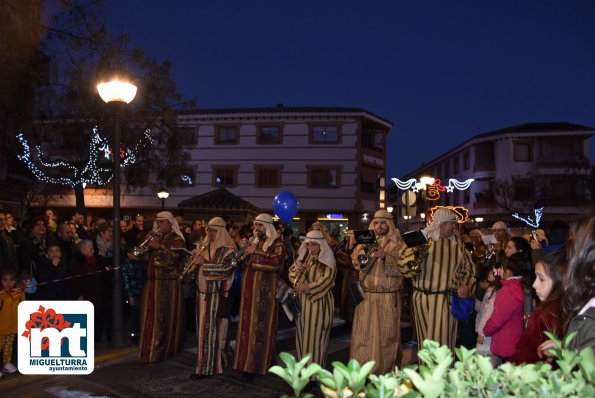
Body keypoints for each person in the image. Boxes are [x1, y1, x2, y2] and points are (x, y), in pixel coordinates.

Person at [397, 208, 475, 352]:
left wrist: (466, 285)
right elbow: (403, 266)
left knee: (443, 343)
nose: (454, 227)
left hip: (445, 299)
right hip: (421, 299)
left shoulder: (458, 243)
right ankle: (427, 374)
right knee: (424, 343)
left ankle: (443, 374)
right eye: (451, 223)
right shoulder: (422, 237)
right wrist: (418, 252)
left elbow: (468, 269)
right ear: (442, 223)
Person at [351, 209, 404, 373]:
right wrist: (364, 253)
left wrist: (385, 256)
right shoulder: (366, 241)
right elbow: (356, 262)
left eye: (382, 222)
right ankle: (363, 371)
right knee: (363, 336)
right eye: (376, 223)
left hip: (388, 298)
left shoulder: (399, 243)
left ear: (389, 224)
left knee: (386, 337)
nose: (379, 226)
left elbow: (405, 268)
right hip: (366, 297)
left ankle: (384, 372)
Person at [233, 213, 285, 380]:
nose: (256, 229)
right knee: (247, 328)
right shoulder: (253, 241)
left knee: (261, 329)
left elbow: (276, 262)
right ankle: (247, 363)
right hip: (249, 292)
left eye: (260, 226)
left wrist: (254, 251)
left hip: (265, 294)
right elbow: (240, 262)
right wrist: (242, 249)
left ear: (268, 227)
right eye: (255, 226)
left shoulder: (277, 243)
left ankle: (255, 367)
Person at [191, 217, 237, 379]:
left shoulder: (230, 250)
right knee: (203, 333)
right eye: (208, 230)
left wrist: (203, 262)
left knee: (213, 333)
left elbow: (225, 270)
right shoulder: (204, 246)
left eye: (213, 230)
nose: (209, 233)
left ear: (221, 231)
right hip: (202, 296)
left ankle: (208, 368)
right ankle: (205, 364)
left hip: (216, 297)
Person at [138, 211, 186, 364]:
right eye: (158, 222)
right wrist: (146, 248)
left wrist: (159, 246)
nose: (159, 225)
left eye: (162, 222)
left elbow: (175, 259)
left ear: (170, 223)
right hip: (152, 283)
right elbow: (146, 259)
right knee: (149, 318)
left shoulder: (177, 240)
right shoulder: (156, 237)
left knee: (163, 319)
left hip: (168, 285)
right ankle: (148, 351)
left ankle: (161, 352)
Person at [289, 230, 336, 368]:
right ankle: (303, 369)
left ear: (321, 245)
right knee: (302, 337)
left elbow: (328, 280)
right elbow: (291, 273)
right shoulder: (305, 258)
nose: (310, 248)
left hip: (320, 304)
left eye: (314, 245)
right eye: (308, 245)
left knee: (316, 339)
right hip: (303, 305)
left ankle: (314, 374)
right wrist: (296, 272)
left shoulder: (328, 260)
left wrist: (308, 287)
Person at [510, 250, 566, 364]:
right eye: (536, 277)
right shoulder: (552, 311)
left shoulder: (549, 316)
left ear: (559, 282)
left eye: (541, 279)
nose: (534, 284)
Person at [483, 257, 525, 366]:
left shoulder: (508, 290)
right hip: (515, 340)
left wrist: (486, 330)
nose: (499, 271)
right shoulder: (519, 286)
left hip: (505, 343)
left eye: (501, 268)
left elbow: (498, 318)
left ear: (508, 271)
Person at [71, 240, 105, 342]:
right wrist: (79, 295)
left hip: (95, 295)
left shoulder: (92, 260)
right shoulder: (77, 262)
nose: (93, 251)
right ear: (83, 249)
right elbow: (76, 280)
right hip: (85, 296)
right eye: (91, 248)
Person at [0, 270, 25, 376]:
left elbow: (23, 305)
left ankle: (7, 363)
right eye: (5, 280)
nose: (8, 283)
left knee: (8, 347)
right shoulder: (1, 295)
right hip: (1, 328)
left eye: (11, 280)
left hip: (13, 327)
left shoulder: (19, 294)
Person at [121, 244, 145, 344]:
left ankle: (138, 334)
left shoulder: (138, 263)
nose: (137, 253)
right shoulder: (126, 265)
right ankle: (133, 335)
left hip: (140, 291)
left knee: (139, 313)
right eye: (134, 251)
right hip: (133, 293)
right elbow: (126, 280)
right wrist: (129, 295)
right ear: (128, 254)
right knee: (136, 314)